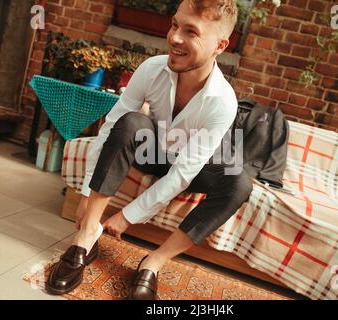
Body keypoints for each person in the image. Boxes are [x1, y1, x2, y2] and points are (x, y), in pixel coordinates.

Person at [46, 0, 252, 300]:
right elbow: (112, 127)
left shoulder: (222, 101)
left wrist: (128, 216)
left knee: (239, 182)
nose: (175, 38)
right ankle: (86, 237)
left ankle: (153, 262)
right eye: (174, 25)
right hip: (151, 153)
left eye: (191, 31)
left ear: (220, 45)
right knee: (130, 121)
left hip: (189, 166)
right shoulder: (151, 69)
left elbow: (184, 173)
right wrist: (88, 196)